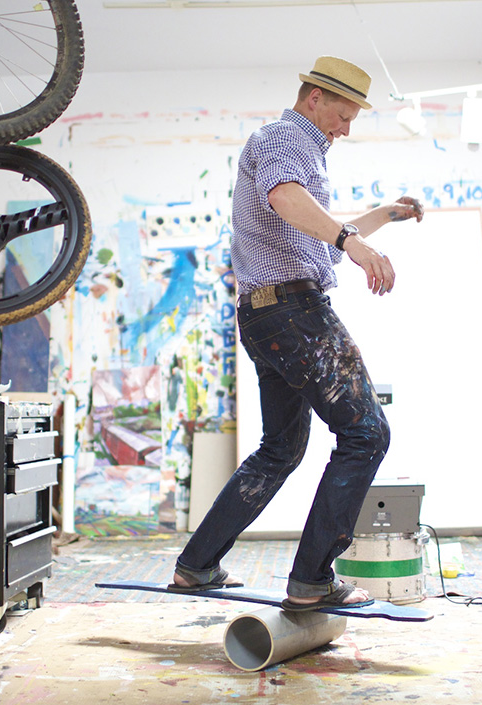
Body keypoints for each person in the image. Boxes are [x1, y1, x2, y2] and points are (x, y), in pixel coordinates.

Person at [172, 56, 424, 611]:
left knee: (281, 449)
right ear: (314, 97)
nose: (346, 127)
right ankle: (312, 578)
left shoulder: (299, 149)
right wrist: (353, 245)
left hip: (266, 316)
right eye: (342, 113)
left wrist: (383, 215)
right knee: (366, 434)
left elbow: (311, 220)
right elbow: (286, 199)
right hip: (293, 312)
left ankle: (196, 565)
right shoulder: (287, 137)